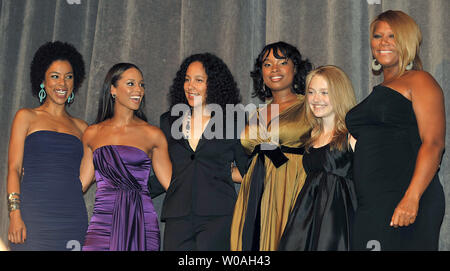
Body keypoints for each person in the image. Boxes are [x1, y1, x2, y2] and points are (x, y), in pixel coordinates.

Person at [345, 10, 445, 251]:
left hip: (404, 198)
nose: (384, 42)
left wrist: (412, 198)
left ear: (407, 41)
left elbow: (433, 143)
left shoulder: (420, 81)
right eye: (378, 36)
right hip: (371, 201)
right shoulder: (379, 91)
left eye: (393, 36)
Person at [159, 53, 248, 251]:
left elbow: (248, 170)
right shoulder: (168, 121)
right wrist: (133, 189)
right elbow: (167, 170)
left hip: (218, 214)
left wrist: (224, 172)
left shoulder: (234, 121)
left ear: (214, 84)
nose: (191, 86)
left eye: (199, 80)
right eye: (187, 79)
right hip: (177, 215)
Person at [230, 41, 313, 251]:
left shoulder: (310, 107)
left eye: (282, 62)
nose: (274, 69)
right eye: (267, 64)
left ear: (296, 68)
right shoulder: (255, 115)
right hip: (255, 192)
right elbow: (250, 163)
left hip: (293, 190)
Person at [80, 63, 172, 251]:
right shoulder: (92, 133)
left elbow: (172, 184)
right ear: (113, 89)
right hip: (103, 222)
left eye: (141, 85)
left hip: (141, 222)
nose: (138, 89)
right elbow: (81, 183)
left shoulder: (153, 134)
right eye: (131, 84)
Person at [7, 41, 88, 250]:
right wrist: (15, 214)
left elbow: (88, 175)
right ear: (42, 80)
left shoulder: (82, 128)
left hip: (72, 220)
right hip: (33, 217)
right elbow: (14, 169)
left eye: (68, 77)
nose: (62, 83)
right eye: (55, 76)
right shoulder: (26, 117)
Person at [278, 65, 357, 251]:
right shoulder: (311, 135)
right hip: (306, 218)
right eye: (311, 92)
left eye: (324, 92)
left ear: (339, 94)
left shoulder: (352, 137)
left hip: (338, 221)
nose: (316, 99)